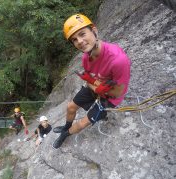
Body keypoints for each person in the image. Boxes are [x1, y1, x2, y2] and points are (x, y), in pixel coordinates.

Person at [52, 14, 131, 149]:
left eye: (82, 34)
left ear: (94, 30)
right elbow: (90, 78)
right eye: (74, 40)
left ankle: (65, 134)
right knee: (70, 107)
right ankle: (66, 126)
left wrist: (95, 86)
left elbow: (117, 93)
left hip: (109, 98)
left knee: (83, 123)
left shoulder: (118, 60)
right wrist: (94, 86)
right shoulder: (85, 57)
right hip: (96, 86)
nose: (80, 41)